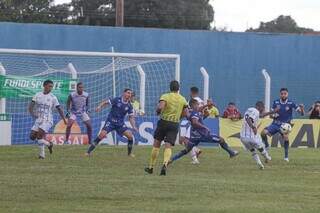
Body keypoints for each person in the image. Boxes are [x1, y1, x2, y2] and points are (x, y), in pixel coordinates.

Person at [169, 99, 239, 166]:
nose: (199, 106)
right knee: (221, 139)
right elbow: (195, 122)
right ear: (194, 105)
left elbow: (200, 115)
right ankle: (231, 153)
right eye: (197, 104)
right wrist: (204, 127)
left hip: (194, 136)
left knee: (187, 150)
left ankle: (172, 159)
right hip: (203, 134)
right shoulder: (194, 113)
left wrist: (206, 107)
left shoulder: (192, 112)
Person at [144, 80, 188, 176]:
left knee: (156, 144)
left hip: (163, 122)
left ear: (170, 88)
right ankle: (164, 164)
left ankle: (151, 167)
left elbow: (161, 107)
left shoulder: (165, 96)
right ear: (178, 88)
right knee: (168, 145)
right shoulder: (183, 99)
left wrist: (158, 111)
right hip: (174, 124)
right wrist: (178, 118)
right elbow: (186, 113)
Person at [86, 88, 138, 157]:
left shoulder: (129, 106)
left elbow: (131, 117)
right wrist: (99, 106)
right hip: (110, 122)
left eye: (130, 93)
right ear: (124, 93)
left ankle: (129, 153)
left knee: (130, 136)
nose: (129, 95)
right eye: (128, 93)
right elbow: (106, 102)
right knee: (101, 135)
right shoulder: (117, 100)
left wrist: (134, 126)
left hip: (120, 124)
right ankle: (88, 152)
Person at [261, 88, 304, 162]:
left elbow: (302, 114)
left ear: (287, 94)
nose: (283, 95)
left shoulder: (291, 103)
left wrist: (302, 108)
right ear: (280, 94)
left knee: (286, 137)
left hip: (284, 125)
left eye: (285, 93)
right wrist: (274, 114)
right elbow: (271, 115)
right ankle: (267, 145)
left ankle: (286, 157)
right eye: (282, 94)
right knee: (263, 133)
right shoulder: (276, 102)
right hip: (275, 124)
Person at [28, 80, 67, 159]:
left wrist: (64, 119)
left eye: (51, 86)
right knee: (32, 137)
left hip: (48, 119)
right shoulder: (37, 95)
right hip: (39, 119)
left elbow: (59, 108)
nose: (51, 88)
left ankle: (42, 155)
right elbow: (31, 106)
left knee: (39, 136)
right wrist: (32, 113)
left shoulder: (53, 97)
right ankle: (49, 144)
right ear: (44, 86)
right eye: (49, 86)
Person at [240, 101, 276, 169]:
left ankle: (260, 164)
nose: (263, 110)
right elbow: (249, 119)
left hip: (242, 137)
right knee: (261, 147)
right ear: (260, 107)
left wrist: (272, 112)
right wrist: (253, 127)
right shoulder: (255, 111)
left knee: (252, 150)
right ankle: (267, 157)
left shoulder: (250, 110)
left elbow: (261, 115)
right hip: (251, 136)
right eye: (263, 108)